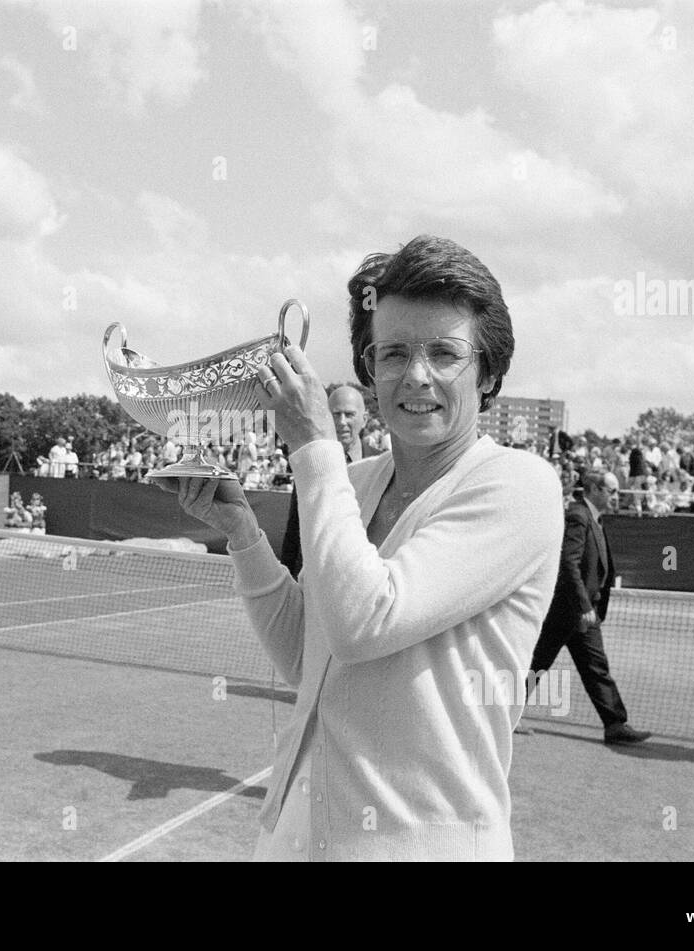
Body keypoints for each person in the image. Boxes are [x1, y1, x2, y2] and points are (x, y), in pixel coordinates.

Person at [164, 235, 564, 860]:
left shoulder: (518, 485)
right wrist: (242, 532)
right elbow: (311, 655)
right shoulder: (353, 482)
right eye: (393, 353)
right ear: (369, 372)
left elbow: (363, 622)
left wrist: (313, 447)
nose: (416, 375)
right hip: (300, 833)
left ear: (488, 373)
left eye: (445, 353)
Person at [524, 471, 652, 744]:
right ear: (594, 489)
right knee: (537, 662)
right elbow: (568, 564)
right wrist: (583, 606)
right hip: (567, 611)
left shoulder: (592, 517)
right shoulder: (578, 516)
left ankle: (615, 725)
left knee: (595, 667)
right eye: (612, 491)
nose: (616, 496)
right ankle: (500, 715)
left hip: (582, 613)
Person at [279, 384, 375, 578]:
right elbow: (294, 532)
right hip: (312, 579)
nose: (341, 422)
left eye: (349, 414)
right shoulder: (309, 463)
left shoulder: (384, 464)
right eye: (335, 414)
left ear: (364, 420)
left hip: (363, 579)